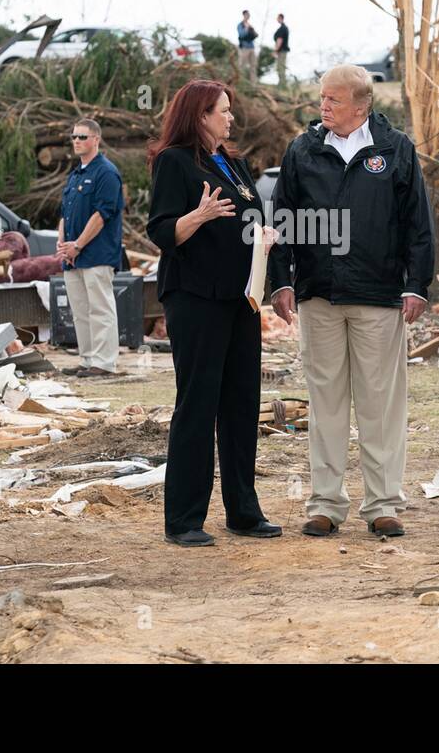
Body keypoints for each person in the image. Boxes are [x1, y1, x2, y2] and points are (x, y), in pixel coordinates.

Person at [269, 64, 434, 539]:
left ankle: (383, 504)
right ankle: (325, 504)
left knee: (380, 403)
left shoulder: (395, 149)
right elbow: (280, 218)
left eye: (333, 100)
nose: (323, 107)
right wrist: (282, 281)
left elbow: (417, 224)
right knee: (326, 402)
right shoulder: (303, 149)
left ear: (361, 106)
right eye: (322, 98)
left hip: (379, 295)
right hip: (319, 294)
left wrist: (416, 284)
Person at [147, 79, 280, 547]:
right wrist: (197, 217)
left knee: (242, 405)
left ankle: (243, 512)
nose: (229, 118)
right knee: (198, 404)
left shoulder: (237, 164)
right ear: (199, 114)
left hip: (240, 299)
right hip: (196, 298)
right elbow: (162, 232)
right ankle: (184, 519)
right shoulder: (174, 162)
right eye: (222, 111)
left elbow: (252, 221)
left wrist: (263, 239)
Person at [56, 118, 124, 378]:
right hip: (73, 256)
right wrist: (64, 245)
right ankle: (87, 360)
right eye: (74, 136)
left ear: (96, 139)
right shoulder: (76, 174)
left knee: (100, 308)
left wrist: (78, 245)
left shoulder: (106, 173)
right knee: (80, 311)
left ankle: (104, 363)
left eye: (82, 137)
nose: (76, 141)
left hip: (96, 254)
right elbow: (65, 213)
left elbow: (102, 214)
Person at [236, 10, 258, 81]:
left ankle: (253, 83)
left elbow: (255, 35)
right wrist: (246, 28)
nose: (248, 16)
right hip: (244, 47)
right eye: (247, 14)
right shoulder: (240, 25)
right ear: (244, 15)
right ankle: (240, 81)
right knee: (242, 65)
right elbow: (241, 35)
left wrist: (251, 29)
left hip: (251, 47)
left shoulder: (250, 25)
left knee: (253, 66)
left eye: (249, 14)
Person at [273, 13, 290, 87]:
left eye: (277, 18)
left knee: (280, 67)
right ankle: (282, 84)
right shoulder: (284, 28)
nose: (276, 19)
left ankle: (282, 85)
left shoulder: (282, 28)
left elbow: (280, 40)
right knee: (281, 67)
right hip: (282, 50)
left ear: (280, 18)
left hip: (281, 51)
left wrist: (275, 50)